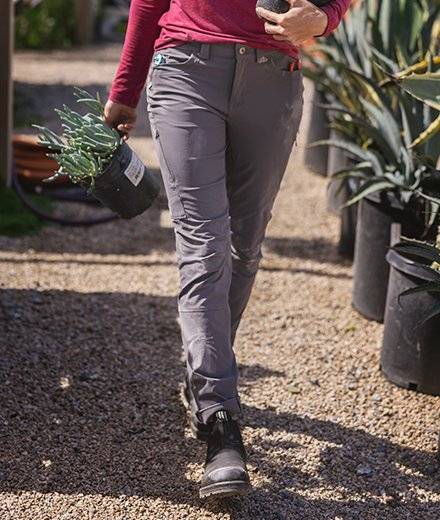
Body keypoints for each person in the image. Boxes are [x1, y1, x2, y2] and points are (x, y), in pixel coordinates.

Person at [105, 0, 350, 499]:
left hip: (274, 77)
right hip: (186, 71)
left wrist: (327, 17)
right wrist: (125, 91)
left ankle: (204, 374)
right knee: (204, 246)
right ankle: (220, 422)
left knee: (245, 248)